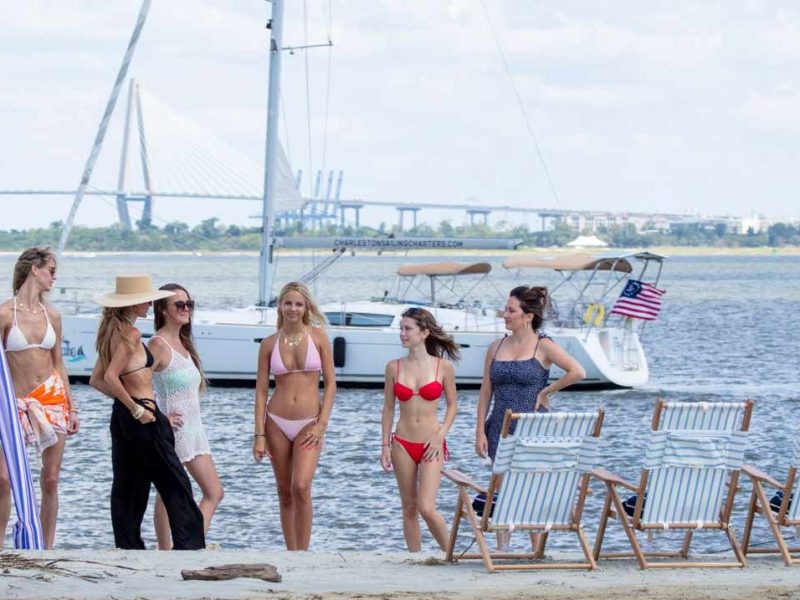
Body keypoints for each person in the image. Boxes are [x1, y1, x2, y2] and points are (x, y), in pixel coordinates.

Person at [89, 274, 205, 550]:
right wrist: (136, 409)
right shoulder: (130, 334)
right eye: (145, 301)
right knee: (175, 482)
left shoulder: (111, 332)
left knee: (129, 486)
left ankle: (128, 548)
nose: (149, 305)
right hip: (142, 418)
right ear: (132, 304)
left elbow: (97, 380)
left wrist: (124, 406)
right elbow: (110, 375)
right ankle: (190, 547)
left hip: (125, 418)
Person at [0, 246, 78, 549]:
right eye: (52, 270)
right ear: (35, 268)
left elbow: (59, 362)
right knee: (4, 480)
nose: (54, 277)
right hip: (13, 403)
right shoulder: (5, 313)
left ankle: (45, 548)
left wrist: (71, 405)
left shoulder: (53, 315)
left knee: (50, 479)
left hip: (51, 398)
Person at [253, 281, 336, 551]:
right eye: (288, 303)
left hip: (309, 422)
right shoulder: (268, 344)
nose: (293, 308)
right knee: (284, 491)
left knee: (301, 486)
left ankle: (304, 551)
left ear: (306, 307)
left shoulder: (319, 337)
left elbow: (332, 384)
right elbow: (261, 392)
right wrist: (259, 436)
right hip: (276, 421)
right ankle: (291, 552)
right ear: (280, 305)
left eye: (298, 304)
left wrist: (322, 424)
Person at [149, 283, 223, 550]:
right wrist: (158, 417)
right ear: (163, 309)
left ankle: (187, 543)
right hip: (175, 430)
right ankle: (167, 549)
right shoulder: (157, 344)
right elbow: (137, 383)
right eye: (179, 305)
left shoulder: (184, 342)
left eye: (189, 304)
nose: (186, 309)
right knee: (167, 492)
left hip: (195, 430)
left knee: (214, 492)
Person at [476, 285, 586, 462]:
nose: (505, 314)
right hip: (499, 426)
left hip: (533, 427)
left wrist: (546, 392)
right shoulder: (495, 347)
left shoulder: (543, 345)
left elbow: (578, 372)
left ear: (528, 316)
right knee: (505, 486)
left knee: (531, 482)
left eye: (511, 310)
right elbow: (486, 391)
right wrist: (480, 432)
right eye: (505, 309)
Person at [381, 307, 459, 552]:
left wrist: (440, 435)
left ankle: (450, 554)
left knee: (426, 506)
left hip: (431, 442)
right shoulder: (394, 367)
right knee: (409, 507)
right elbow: (388, 409)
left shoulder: (442, 367)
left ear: (424, 332)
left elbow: (453, 405)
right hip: (402, 442)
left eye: (407, 329)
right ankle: (415, 558)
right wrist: (385, 444)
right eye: (401, 329)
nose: (402, 334)